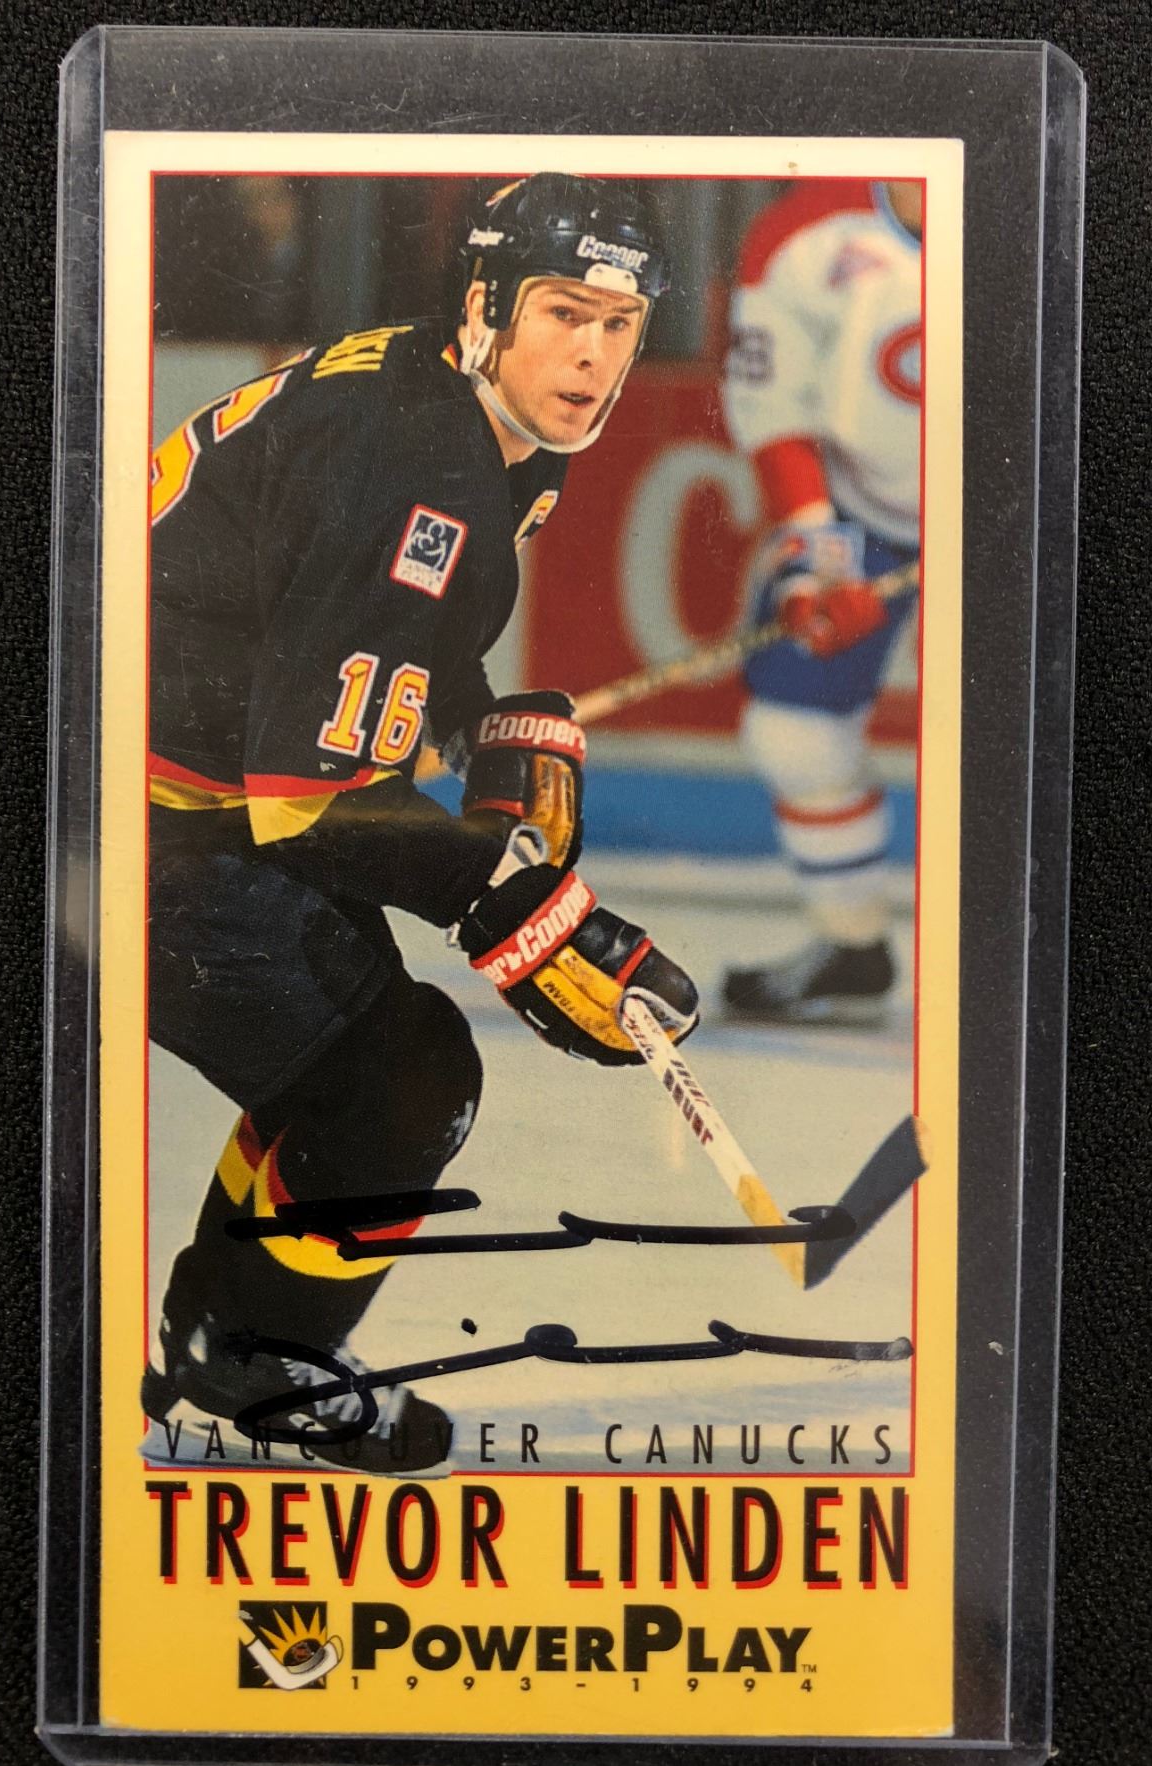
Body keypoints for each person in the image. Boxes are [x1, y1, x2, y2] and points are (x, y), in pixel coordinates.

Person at [143, 173, 698, 1473]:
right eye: (564, 312)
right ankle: (248, 1356)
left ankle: (224, 1338)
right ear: (485, 306)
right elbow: (309, 799)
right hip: (126, 824)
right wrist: (519, 904)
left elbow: (351, 629)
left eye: (621, 324)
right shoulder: (418, 467)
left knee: (365, 1069)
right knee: (400, 1075)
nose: (594, 355)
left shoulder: (448, 405)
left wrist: (472, 714)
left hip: (165, 786)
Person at [721, 179, 922, 1024]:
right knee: (793, 733)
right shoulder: (801, 227)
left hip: (1024, 530)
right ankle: (851, 941)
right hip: (863, 511)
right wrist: (820, 562)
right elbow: (775, 410)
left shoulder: (1038, 207)